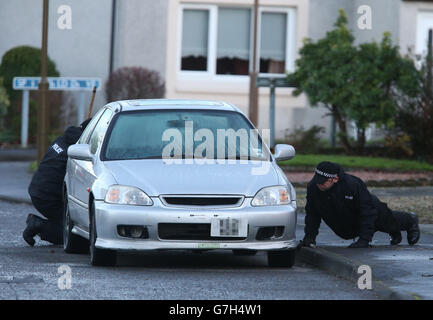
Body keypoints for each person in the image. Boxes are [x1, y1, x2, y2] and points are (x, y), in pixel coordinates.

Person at [301, 161, 420, 248]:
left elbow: (368, 212)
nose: (319, 185)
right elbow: (312, 214)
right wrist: (309, 238)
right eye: (317, 180)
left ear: (335, 179)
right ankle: (394, 232)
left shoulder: (353, 185)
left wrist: (364, 240)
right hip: (348, 219)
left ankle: (410, 221)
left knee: (386, 221)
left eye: (323, 182)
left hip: (371, 208)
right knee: (355, 229)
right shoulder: (313, 187)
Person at [22, 119, 92, 246]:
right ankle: (38, 226)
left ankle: (40, 224)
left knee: (70, 226)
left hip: (38, 189)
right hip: (48, 197)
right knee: (74, 235)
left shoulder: (61, 140)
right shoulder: (75, 150)